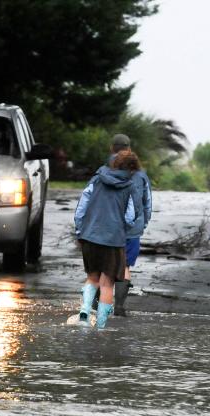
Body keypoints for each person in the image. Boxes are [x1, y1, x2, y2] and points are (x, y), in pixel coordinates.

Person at [73, 150, 143, 329]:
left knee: (92, 277)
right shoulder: (130, 186)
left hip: (89, 236)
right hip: (113, 240)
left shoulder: (97, 179)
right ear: (133, 169)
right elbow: (129, 217)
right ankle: (101, 325)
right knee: (106, 284)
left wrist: (80, 228)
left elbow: (82, 206)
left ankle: (85, 311)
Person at [100, 134, 152, 316]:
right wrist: (142, 223)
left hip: (108, 227)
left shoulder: (105, 171)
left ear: (111, 148)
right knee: (126, 266)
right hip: (132, 229)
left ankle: (98, 304)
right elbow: (147, 203)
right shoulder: (141, 175)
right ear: (129, 149)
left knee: (105, 266)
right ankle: (120, 306)